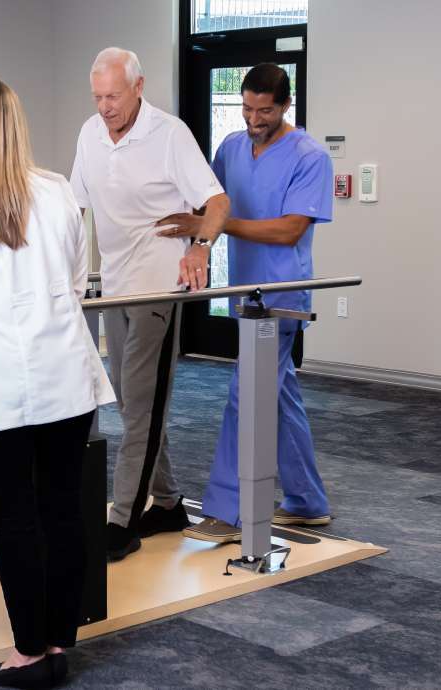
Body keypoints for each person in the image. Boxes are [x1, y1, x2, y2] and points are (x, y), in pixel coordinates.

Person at [0, 78, 115, 689]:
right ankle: (59, 639)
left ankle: (29, 653)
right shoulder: (57, 192)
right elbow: (76, 274)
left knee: (14, 520)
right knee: (64, 509)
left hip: (4, 381)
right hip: (67, 372)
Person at [159, 63, 334, 543]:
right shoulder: (232, 148)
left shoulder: (310, 156)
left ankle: (228, 513)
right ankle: (307, 500)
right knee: (278, 395)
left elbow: (289, 229)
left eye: (265, 111)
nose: (253, 119)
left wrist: (215, 228)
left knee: (246, 396)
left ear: (285, 105)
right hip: (244, 294)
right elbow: (210, 205)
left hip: (282, 298)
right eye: (247, 108)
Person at [70, 47, 230, 561]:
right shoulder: (90, 134)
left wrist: (201, 248)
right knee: (134, 398)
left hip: (160, 285)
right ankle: (167, 502)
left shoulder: (169, 134)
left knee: (140, 403)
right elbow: (75, 208)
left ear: (138, 87)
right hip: (115, 284)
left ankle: (123, 521)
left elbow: (217, 202)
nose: (105, 107)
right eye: (97, 96)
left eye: (113, 96)